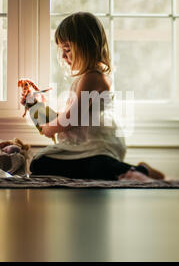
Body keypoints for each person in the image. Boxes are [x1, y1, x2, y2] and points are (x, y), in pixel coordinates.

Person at [22, 12, 165, 182]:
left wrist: (47, 128)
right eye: (62, 50)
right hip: (80, 149)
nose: (63, 56)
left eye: (67, 49)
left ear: (86, 46)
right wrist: (36, 107)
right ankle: (128, 171)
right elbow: (66, 120)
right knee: (39, 164)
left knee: (92, 166)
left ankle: (141, 171)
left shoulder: (93, 78)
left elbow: (70, 120)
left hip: (96, 148)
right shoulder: (83, 80)